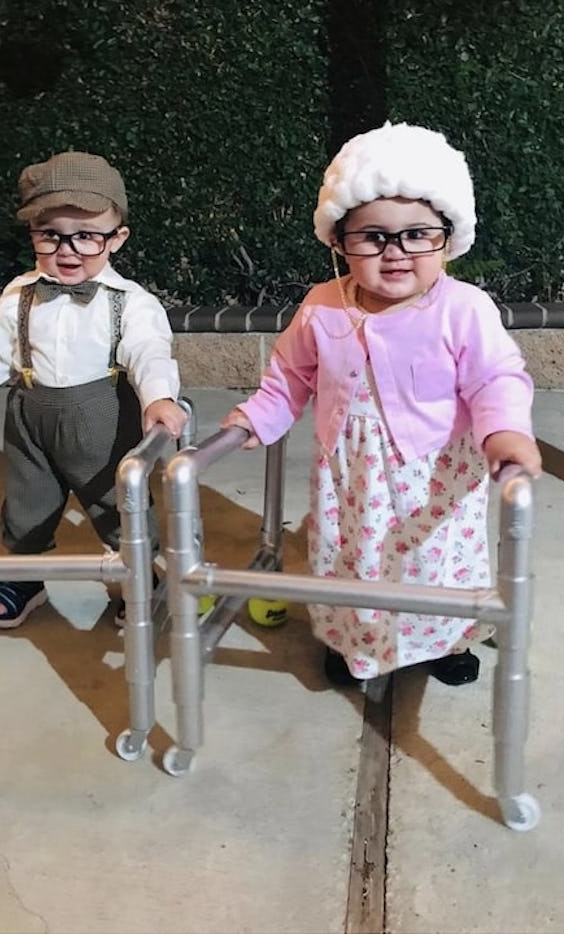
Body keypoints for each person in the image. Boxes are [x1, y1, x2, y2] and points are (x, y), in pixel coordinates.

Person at [222, 122, 542, 687]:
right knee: (355, 558)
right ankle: (357, 644)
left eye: (418, 234)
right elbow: (291, 376)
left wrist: (505, 432)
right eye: (372, 237)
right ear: (339, 241)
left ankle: (446, 639)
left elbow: (496, 377)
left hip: (433, 473)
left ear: (449, 235)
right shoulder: (323, 305)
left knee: (432, 563)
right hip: (349, 477)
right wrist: (258, 419)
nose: (395, 253)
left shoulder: (463, 308)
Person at [0, 150, 187, 629]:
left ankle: (140, 576)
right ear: (33, 234)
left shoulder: (130, 303)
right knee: (27, 503)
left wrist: (158, 396)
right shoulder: (20, 295)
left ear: (117, 238)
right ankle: (26, 578)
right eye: (51, 235)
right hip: (30, 420)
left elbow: (150, 352)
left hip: (104, 420)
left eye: (86, 236)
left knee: (118, 503)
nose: (67, 249)